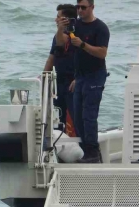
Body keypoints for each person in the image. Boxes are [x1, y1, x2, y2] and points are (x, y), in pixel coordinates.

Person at [56, 0, 109, 163]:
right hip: (80, 76)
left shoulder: (100, 28)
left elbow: (102, 53)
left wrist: (83, 44)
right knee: (77, 115)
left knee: (89, 115)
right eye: (78, 7)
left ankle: (92, 151)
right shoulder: (75, 25)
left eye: (83, 8)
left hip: (95, 75)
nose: (80, 10)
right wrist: (60, 29)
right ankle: (88, 151)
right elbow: (60, 43)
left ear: (92, 7)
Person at [43, 4, 77, 134]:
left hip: (73, 82)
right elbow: (51, 57)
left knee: (76, 117)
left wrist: (78, 78)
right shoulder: (57, 36)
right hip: (59, 82)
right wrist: (44, 77)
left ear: (67, 19)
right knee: (57, 117)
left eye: (59, 17)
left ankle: (84, 148)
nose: (56, 20)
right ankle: (58, 145)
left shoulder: (78, 34)